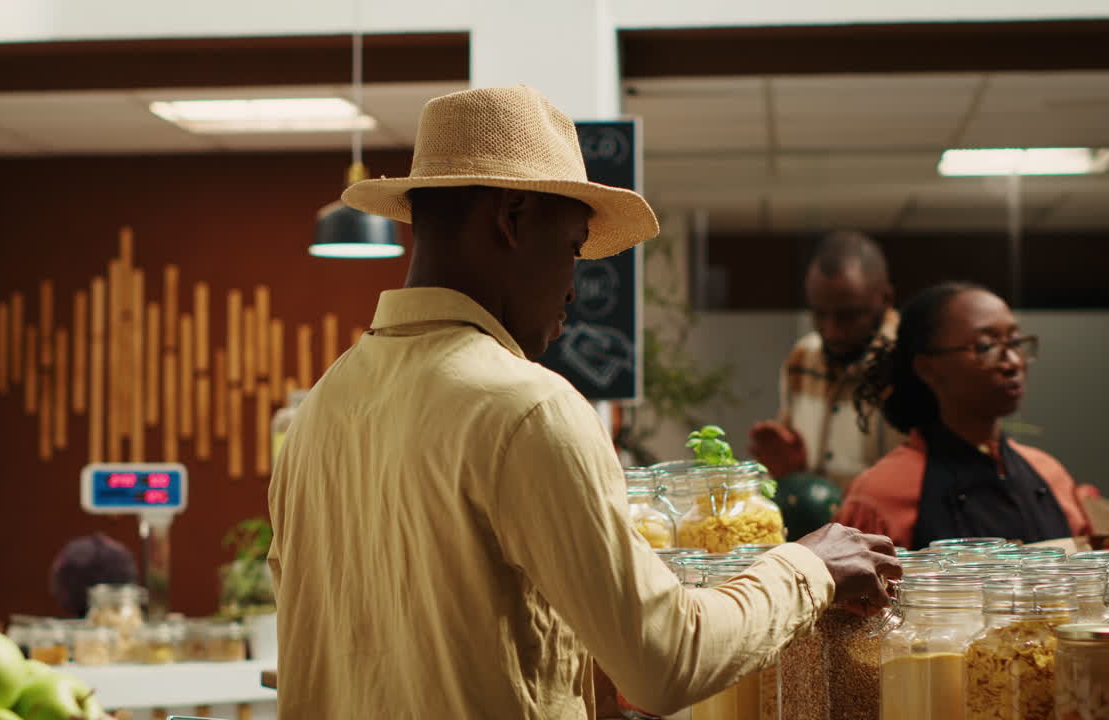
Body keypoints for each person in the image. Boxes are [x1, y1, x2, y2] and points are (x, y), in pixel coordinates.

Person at [267, 86, 899, 720]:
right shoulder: (527, 407)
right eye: (571, 249)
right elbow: (665, 660)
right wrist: (808, 566)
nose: (573, 290)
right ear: (510, 219)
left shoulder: (324, 404)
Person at [836, 282, 1090, 549]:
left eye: (1015, 342)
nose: (1013, 362)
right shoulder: (880, 493)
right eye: (985, 346)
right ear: (927, 368)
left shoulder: (1049, 474)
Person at [751, 231, 902, 490]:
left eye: (849, 316)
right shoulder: (803, 356)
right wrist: (788, 473)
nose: (831, 331)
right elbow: (790, 465)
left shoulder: (910, 361)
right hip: (817, 529)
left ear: (886, 299)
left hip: (887, 529)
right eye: (819, 314)